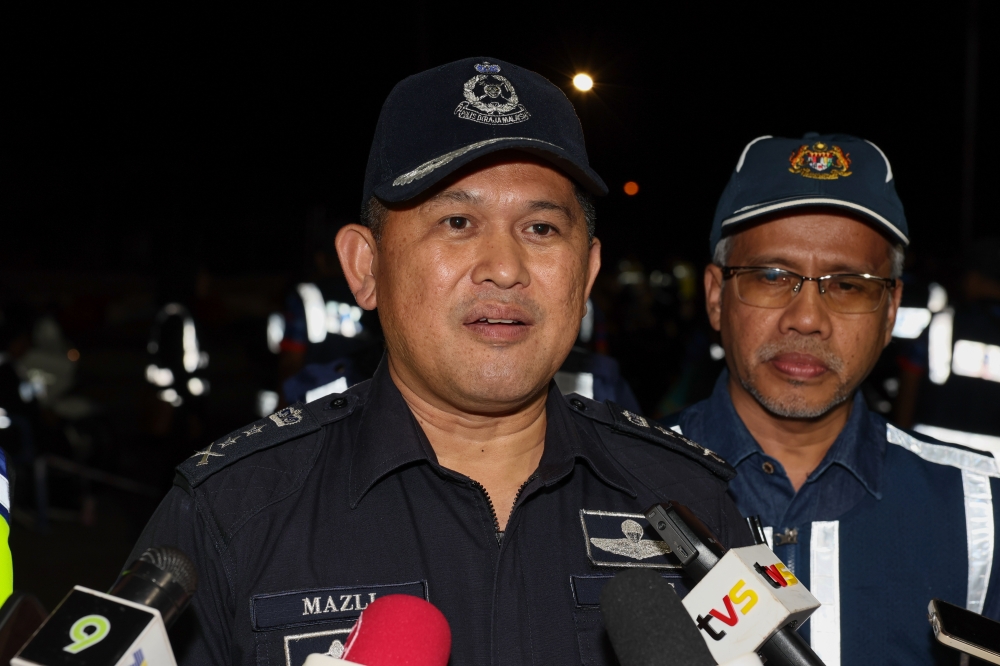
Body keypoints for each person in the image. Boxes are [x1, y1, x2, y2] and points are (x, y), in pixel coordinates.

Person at [125, 57, 753, 666]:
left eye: (540, 229)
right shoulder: (230, 515)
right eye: (457, 221)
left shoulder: (694, 506)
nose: (505, 269)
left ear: (586, 272)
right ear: (366, 267)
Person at [664, 134, 1000, 665]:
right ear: (714, 296)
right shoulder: (611, 489)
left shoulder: (981, 512)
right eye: (772, 276)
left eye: (849, 285)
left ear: (890, 311)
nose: (807, 318)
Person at [894, 239, 1000, 457]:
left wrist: (899, 444)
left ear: (974, 277)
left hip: (933, 462)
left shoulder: (943, 323)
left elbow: (910, 378)